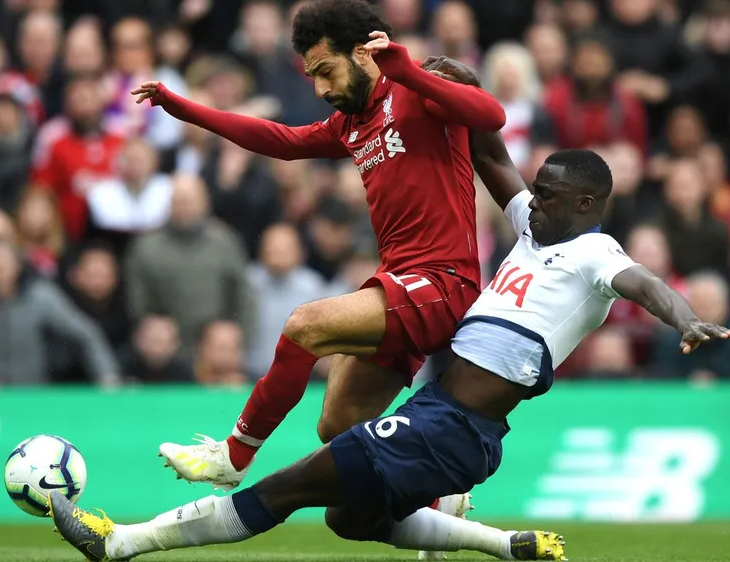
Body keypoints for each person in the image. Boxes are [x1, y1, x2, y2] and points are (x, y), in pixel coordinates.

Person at [50, 57, 730, 562]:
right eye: (540, 188)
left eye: (551, 194)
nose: (536, 198)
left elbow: (643, 282)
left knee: (290, 487)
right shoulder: (532, 226)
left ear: (586, 204)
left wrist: (683, 316)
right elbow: (487, 147)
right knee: (349, 519)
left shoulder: (595, 251)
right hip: (444, 415)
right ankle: (504, 545)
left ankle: (123, 543)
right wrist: (460, 82)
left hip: (455, 425)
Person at [131, 0, 506, 522]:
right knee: (338, 427)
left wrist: (405, 70)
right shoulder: (350, 123)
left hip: (443, 282)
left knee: (305, 326)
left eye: (326, 71)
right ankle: (443, 499)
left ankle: (233, 456)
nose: (322, 89)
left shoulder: (417, 91)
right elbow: (280, 141)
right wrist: (185, 109)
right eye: (311, 76)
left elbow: (492, 116)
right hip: (398, 284)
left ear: (363, 53)